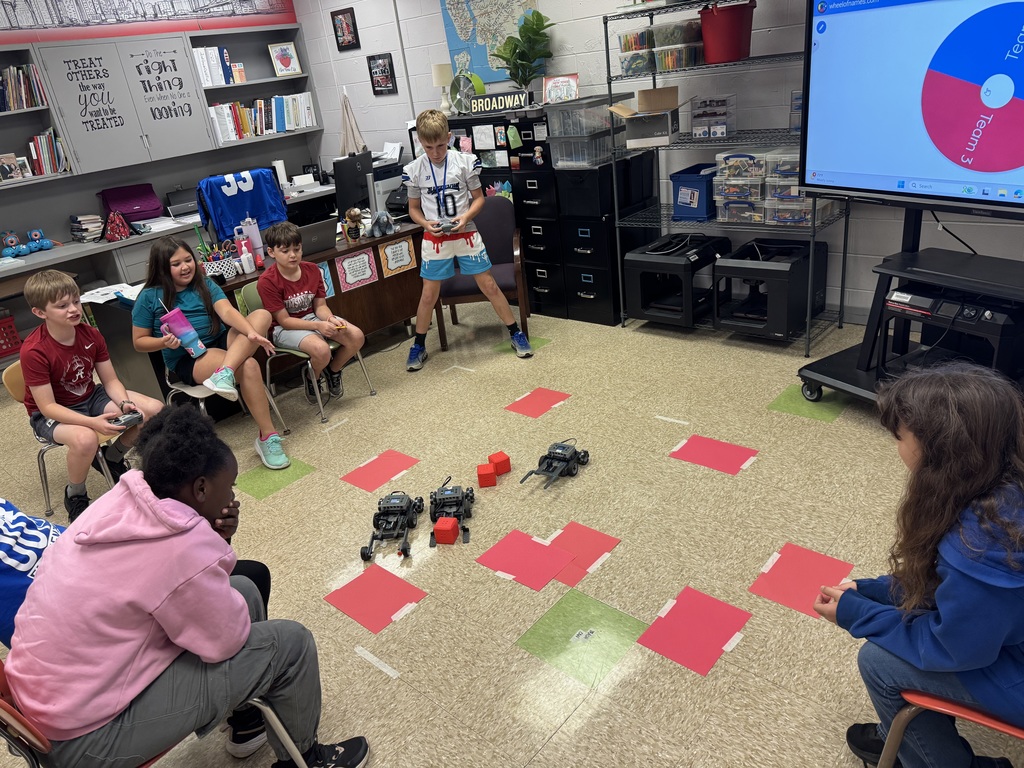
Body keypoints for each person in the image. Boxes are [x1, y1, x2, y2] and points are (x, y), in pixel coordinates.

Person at [6, 405, 370, 768]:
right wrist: (206, 545)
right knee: (291, 644)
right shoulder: (180, 545)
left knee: (243, 588)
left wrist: (209, 538)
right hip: (86, 742)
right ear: (199, 488)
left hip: (47, 702)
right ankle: (306, 761)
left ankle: (247, 723)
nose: (231, 497)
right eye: (229, 486)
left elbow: (170, 580)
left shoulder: (123, 500)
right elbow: (221, 640)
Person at [813, 362, 1024, 768]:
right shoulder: (1004, 488)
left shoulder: (981, 542)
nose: (896, 446)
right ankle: (908, 736)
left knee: (878, 662)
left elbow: (954, 647)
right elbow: (954, 594)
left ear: (941, 450)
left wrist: (856, 613)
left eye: (900, 436)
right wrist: (876, 591)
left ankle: (935, 759)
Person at [0, 492, 273, 757]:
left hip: (104, 580)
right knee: (245, 591)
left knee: (242, 582)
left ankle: (245, 709)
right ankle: (247, 714)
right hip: (93, 632)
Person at [132, 236, 290, 470]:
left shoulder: (204, 283)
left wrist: (251, 333)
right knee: (249, 366)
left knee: (262, 316)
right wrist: (163, 342)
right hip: (189, 357)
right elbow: (138, 342)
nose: (185, 267)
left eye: (188, 260)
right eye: (176, 264)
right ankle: (268, 437)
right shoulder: (149, 297)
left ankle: (224, 372)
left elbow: (226, 311)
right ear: (162, 267)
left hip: (222, 341)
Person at [21, 269, 164, 521]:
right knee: (86, 439)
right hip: (50, 413)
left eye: (75, 301)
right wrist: (92, 423)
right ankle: (75, 494)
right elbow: (47, 407)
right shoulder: (34, 350)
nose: (74, 309)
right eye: (62, 306)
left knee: (152, 410)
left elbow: (110, 380)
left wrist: (124, 402)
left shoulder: (91, 334)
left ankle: (112, 457)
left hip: (89, 396)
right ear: (40, 313)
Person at [401, 109, 533, 371]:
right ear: (420, 142)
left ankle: (515, 332)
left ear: (449, 137)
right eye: (429, 147)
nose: (436, 152)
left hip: (466, 234)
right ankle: (419, 345)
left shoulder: (464, 162)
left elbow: (479, 198)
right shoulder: (414, 170)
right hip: (435, 238)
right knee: (428, 295)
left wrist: (465, 218)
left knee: (489, 285)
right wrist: (426, 223)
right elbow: (413, 208)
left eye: (440, 145)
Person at [257, 221, 365, 401]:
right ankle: (311, 377)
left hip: (313, 318)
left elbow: (320, 306)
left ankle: (332, 371)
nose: (293, 255)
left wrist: (329, 319)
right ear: (271, 252)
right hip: (284, 329)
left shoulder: (313, 270)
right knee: (322, 351)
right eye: (285, 251)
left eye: (297, 249)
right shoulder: (267, 281)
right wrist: (318, 325)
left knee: (357, 336)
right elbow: (284, 321)